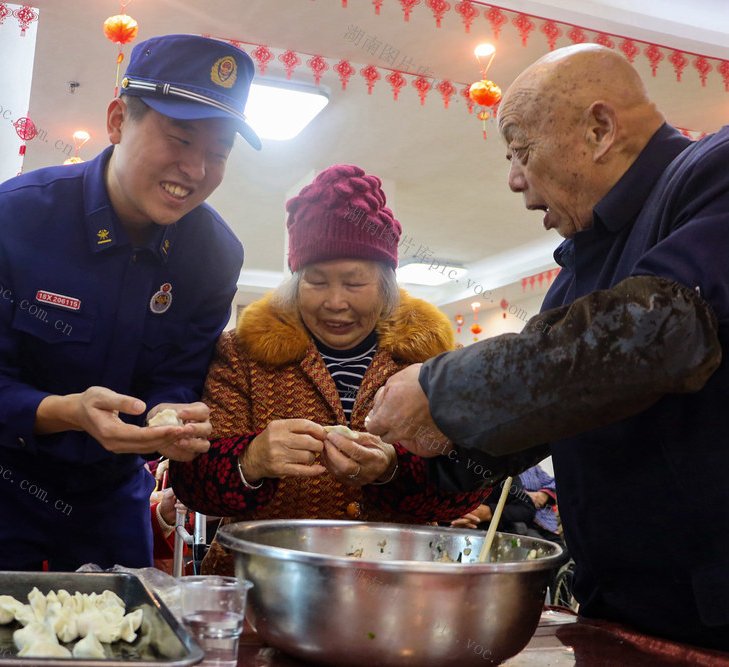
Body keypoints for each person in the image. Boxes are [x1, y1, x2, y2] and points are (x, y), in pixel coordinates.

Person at [365, 44, 729, 650]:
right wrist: (408, 456)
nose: (514, 181)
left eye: (521, 152)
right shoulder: (576, 268)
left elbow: (659, 330)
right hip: (619, 608)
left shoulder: (712, 172)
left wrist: (438, 387)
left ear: (600, 128)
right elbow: (539, 421)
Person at [0, 35, 261, 571]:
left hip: (113, 494)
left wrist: (168, 414)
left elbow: (179, 375)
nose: (197, 169)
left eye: (218, 152)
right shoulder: (15, 215)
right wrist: (67, 412)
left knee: (120, 647)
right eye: (180, 139)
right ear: (117, 121)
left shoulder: (215, 256)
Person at [170, 165, 487, 575]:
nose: (335, 302)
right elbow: (192, 482)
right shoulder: (244, 354)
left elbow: (470, 487)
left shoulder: (430, 364)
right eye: (317, 281)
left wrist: (392, 471)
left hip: (395, 591)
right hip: (261, 585)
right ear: (295, 281)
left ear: (387, 283)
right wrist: (252, 461)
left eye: (355, 284)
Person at [452, 465, 565, 557]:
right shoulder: (447, 462)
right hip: (451, 535)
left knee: (558, 552)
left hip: (495, 538)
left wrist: (489, 512)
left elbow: (526, 507)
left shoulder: (505, 471)